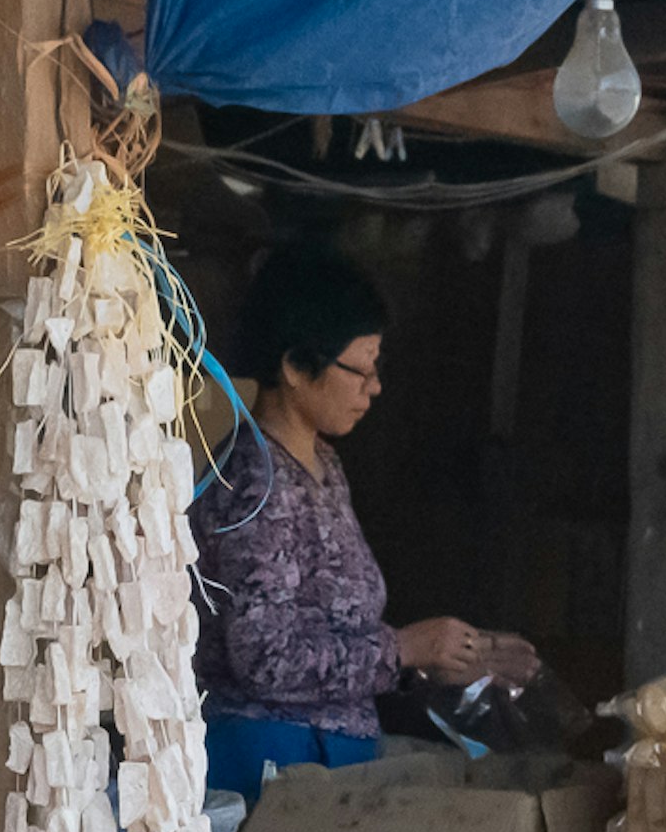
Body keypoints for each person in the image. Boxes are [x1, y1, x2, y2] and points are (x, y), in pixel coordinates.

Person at [190, 244, 534, 797]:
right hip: (268, 764)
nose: (374, 388)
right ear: (297, 367)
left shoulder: (323, 462)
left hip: (328, 762)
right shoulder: (253, 481)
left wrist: (458, 654)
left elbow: (337, 630)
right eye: (362, 370)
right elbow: (265, 656)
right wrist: (401, 649)